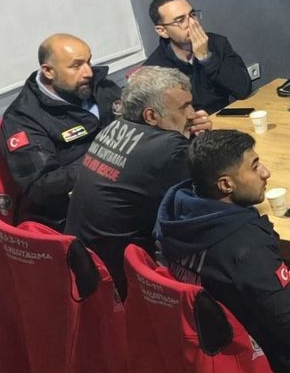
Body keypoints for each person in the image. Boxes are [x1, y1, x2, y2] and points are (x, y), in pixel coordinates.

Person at [156, 130, 290, 373]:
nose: (266, 172)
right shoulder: (245, 245)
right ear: (226, 184)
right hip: (254, 356)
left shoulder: (177, 211)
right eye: (254, 166)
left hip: (202, 342)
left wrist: (279, 281)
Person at [65, 66, 210, 296]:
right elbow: (211, 197)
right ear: (151, 116)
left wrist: (188, 137)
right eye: (184, 107)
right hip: (127, 278)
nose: (193, 114)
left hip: (84, 266)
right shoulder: (169, 149)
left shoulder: (112, 128)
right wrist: (201, 141)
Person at [0, 34, 123, 229]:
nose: (88, 72)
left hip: (124, 183)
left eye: (89, 61)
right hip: (73, 210)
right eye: (76, 65)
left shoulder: (101, 87)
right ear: (48, 71)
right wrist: (108, 162)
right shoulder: (23, 118)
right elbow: (40, 185)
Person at [143, 0, 252, 113]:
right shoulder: (154, 70)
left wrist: (207, 58)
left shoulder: (217, 43)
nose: (192, 23)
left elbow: (243, 90)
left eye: (192, 15)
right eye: (180, 20)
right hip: (188, 124)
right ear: (162, 31)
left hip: (222, 118)